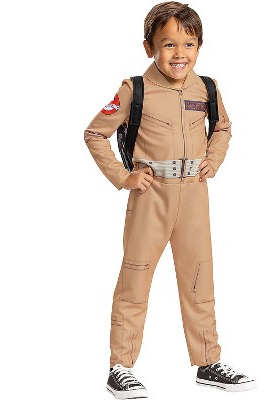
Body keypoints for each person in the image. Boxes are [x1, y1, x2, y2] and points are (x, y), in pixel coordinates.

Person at [84, 2, 257, 398]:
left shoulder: (206, 88)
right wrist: (124, 177)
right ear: (149, 47)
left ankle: (208, 361)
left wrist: (214, 159)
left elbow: (223, 127)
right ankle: (120, 367)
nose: (180, 54)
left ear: (200, 47)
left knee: (199, 277)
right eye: (168, 44)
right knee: (136, 277)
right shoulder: (135, 89)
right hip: (151, 196)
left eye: (189, 44)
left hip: (194, 195)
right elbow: (95, 133)